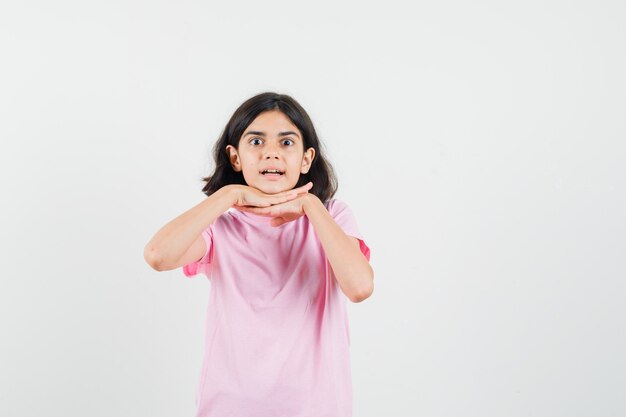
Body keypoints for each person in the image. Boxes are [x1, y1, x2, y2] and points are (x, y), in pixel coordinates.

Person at [143, 92, 374, 417]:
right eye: (255, 142)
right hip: (229, 407)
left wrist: (311, 205)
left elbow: (360, 286)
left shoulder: (332, 215)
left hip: (316, 408)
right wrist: (229, 194)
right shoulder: (220, 225)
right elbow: (157, 255)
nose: (271, 153)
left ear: (306, 159)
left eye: (286, 143)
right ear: (235, 157)